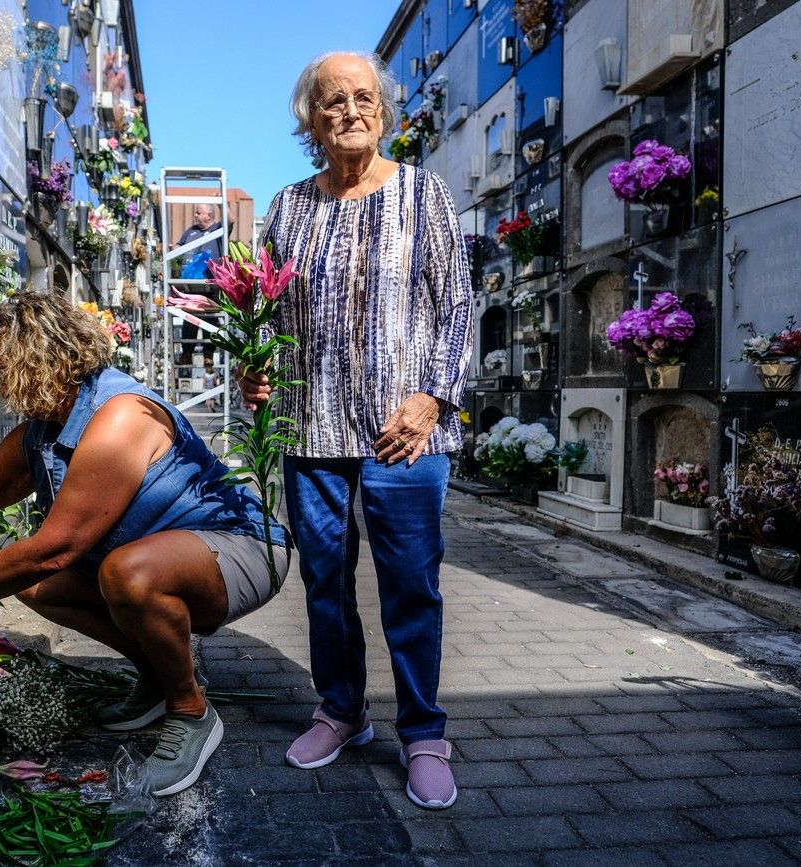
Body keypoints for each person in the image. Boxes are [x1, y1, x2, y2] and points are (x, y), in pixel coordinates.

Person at [0, 293, 290, 797]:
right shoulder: (44, 429)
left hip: (241, 548)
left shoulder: (119, 417)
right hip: (163, 557)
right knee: (38, 588)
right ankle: (157, 678)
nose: (4, 391)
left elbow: (55, 548)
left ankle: (191, 710)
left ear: (42, 361)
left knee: (124, 573)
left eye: (6, 373)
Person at [240, 51, 473, 810]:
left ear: (384, 110)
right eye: (333, 100)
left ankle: (424, 733)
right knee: (325, 585)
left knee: (411, 586)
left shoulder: (423, 195)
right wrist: (256, 368)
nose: (350, 110)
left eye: (364, 97)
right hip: (311, 427)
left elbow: (458, 310)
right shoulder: (287, 208)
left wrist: (434, 395)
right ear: (311, 118)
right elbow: (261, 311)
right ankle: (342, 711)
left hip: (404, 433)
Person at [173, 204, 224, 362]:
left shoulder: (218, 229)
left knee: (211, 316)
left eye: (198, 212)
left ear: (209, 215)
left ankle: (209, 353)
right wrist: (171, 250)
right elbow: (178, 246)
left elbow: (231, 219)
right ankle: (187, 352)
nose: (195, 215)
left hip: (210, 281)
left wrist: (221, 204)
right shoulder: (191, 230)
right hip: (191, 281)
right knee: (189, 316)